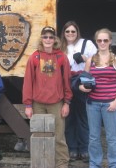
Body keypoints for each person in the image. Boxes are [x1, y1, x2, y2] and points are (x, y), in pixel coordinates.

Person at [23, 26, 73, 168]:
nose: (48, 39)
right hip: (37, 103)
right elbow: (28, 82)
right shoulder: (34, 57)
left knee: (59, 136)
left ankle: (62, 164)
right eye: (45, 37)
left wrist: (67, 102)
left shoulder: (61, 57)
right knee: (39, 135)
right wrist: (28, 105)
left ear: (55, 39)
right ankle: (41, 163)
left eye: (51, 37)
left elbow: (67, 81)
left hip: (57, 102)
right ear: (41, 39)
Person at [80, 28, 116, 168]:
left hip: (111, 104)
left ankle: (115, 164)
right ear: (96, 41)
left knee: (112, 138)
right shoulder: (90, 60)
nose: (102, 43)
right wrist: (83, 88)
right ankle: (94, 164)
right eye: (99, 40)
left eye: (105, 40)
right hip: (92, 103)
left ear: (110, 41)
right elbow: (84, 81)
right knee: (93, 137)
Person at [60, 21, 97, 162]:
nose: (70, 34)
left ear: (77, 32)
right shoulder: (61, 46)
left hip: (81, 82)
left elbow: (97, 62)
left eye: (73, 31)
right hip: (66, 83)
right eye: (67, 31)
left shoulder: (86, 44)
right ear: (64, 33)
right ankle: (72, 148)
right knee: (68, 118)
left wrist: (84, 59)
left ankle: (84, 148)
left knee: (83, 117)